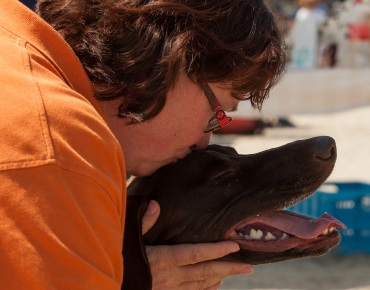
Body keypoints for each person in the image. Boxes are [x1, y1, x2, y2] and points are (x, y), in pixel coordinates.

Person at [0, 0, 285, 289]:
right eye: (217, 113)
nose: (203, 142)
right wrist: (132, 281)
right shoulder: (60, 145)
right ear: (173, 58)